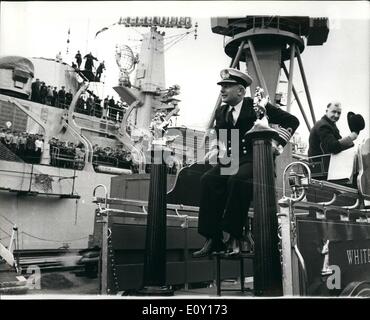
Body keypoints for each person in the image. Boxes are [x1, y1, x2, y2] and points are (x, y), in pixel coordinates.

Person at [192, 68, 300, 258]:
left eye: (227, 86)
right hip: (232, 160)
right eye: (222, 86)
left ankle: (235, 236)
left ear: (241, 91)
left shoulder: (256, 105)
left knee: (236, 180)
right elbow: (225, 142)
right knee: (208, 180)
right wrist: (218, 154)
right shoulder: (222, 112)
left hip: (255, 159)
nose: (222, 90)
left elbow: (292, 120)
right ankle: (213, 238)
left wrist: (277, 145)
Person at [308, 101, 365, 173]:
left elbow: (338, 144)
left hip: (327, 165)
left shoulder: (330, 125)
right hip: (321, 168)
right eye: (333, 112)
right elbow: (332, 147)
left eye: (339, 113)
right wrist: (351, 137)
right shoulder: (323, 125)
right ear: (326, 111)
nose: (336, 115)